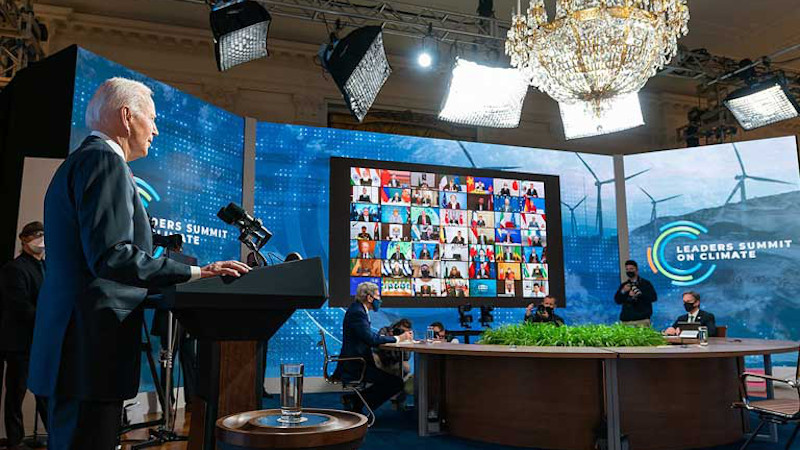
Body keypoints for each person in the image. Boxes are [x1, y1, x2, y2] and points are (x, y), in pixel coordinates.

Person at [27, 78, 251, 450]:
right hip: (88, 354)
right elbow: (112, 256)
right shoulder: (103, 161)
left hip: (72, 351)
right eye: (152, 117)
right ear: (127, 117)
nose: (156, 129)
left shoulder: (80, 161)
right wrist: (198, 272)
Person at [0, 222, 49, 448]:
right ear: (24, 239)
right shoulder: (15, 268)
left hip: (43, 342)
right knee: (16, 393)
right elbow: (20, 306)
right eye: (36, 235)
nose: (41, 239)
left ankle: (54, 436)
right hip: (21, 342)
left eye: (44, 235)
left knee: (45, 393)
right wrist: (48, 320)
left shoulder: (48, 268)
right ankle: (15, 440)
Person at [335, 282, 412, 414]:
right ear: (369, 298)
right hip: (355, 364)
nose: (379, 300)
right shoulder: (357, 313)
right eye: (377, 296)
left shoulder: (357, 310)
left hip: (359, 361)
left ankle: (354, 401)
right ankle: (356, 401)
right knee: (396, 383)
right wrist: (399, 338)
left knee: (392, 379)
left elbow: (368, 336)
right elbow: (371, 339)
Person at [614, 260, 657, 327]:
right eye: (627, 269)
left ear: (637, 270)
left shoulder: (645, 284)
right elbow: (617, 300)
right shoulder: (624, 285)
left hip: (642, 320)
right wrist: (623, 291)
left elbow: (653, 298)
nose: (629, 271)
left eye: (631, 269)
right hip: (626, 320)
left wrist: (639, 294)